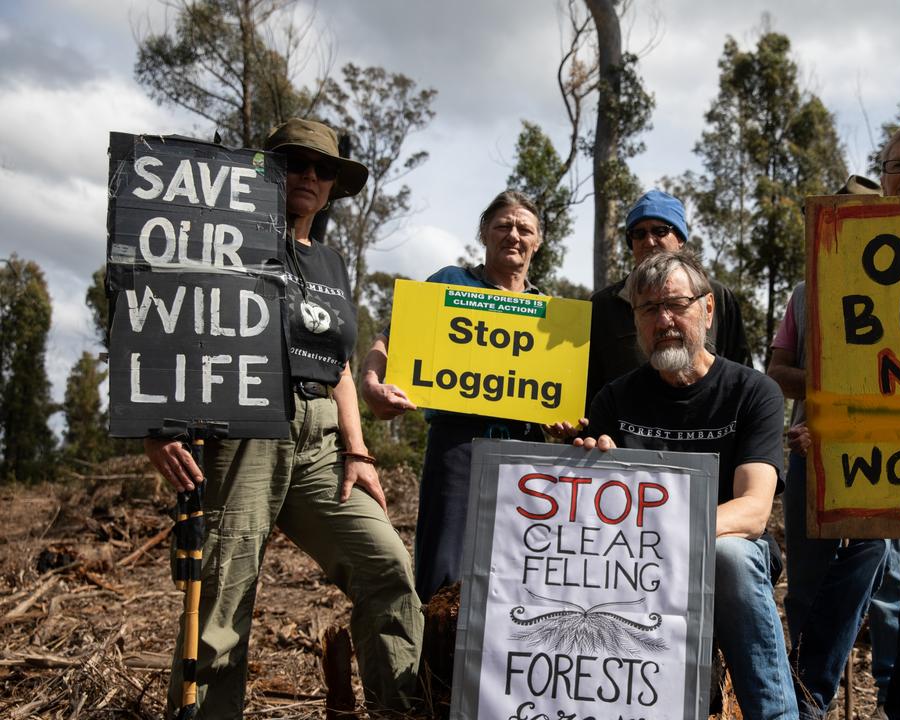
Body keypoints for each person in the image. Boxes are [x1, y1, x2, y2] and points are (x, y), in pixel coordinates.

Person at [143, 118, 423, 717]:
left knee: (388, 567)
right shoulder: (222, 239)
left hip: (322, 439)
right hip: (246, 427)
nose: (310, 177)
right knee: (221, 601)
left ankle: (400, 710)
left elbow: (340, 364)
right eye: (296, 163)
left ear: (331, 189)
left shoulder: (330, 263)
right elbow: (166, 317)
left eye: (324, 170)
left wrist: (358, 451)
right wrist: (155, 425)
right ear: (265, 170)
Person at [575, 251, 795, 720]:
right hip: (631, 560)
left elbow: (754, 511)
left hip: (716, 549)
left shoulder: (754, 392)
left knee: (729, 556)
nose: (665, 320)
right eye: (649, 309)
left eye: (677, 304)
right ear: (635, 320)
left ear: (708, 309)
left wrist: (670, 535)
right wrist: (587, 463)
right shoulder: (615, 397)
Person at [360, 190, 545, 602]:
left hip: (525, 449)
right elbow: (391, 340)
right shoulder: (450, 282)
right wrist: (371, 382)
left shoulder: (548, 312)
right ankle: (433, 662)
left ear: (538, 241)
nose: (513, 235)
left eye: (524, 228)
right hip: (457, 444)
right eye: (503, 226)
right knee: (444, 567)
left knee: (519, 566)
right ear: (484, 233)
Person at [767, 174, 888, 720]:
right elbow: (776, 372)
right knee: (805, 588)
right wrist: (828, 394)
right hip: (809, 448)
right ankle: (804, 698)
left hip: (887, 455)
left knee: (873, 550)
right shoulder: (803, 293)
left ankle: (810, 695)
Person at [586, 189, 751, 407]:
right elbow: (588, 385)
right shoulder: (602, 305)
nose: (649, 241)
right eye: (639, 233)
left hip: (704, 431)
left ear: (680, 238)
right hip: (625, 436)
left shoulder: (716, 296)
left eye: (660, 231)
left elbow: (741, 372)